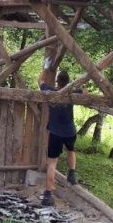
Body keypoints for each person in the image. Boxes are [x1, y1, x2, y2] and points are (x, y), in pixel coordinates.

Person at [39, 67, 79, 206]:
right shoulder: (72, 94)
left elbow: (40, 81)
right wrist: (75, 87)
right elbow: (86, 92)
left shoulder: (51, 92)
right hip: (70, 131)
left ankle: (48, 195)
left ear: (57, 81)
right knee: (71, 150)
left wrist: (45, 68)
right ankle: (72, 173)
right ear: (68, 82)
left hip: (56, 133)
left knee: (52, 163)